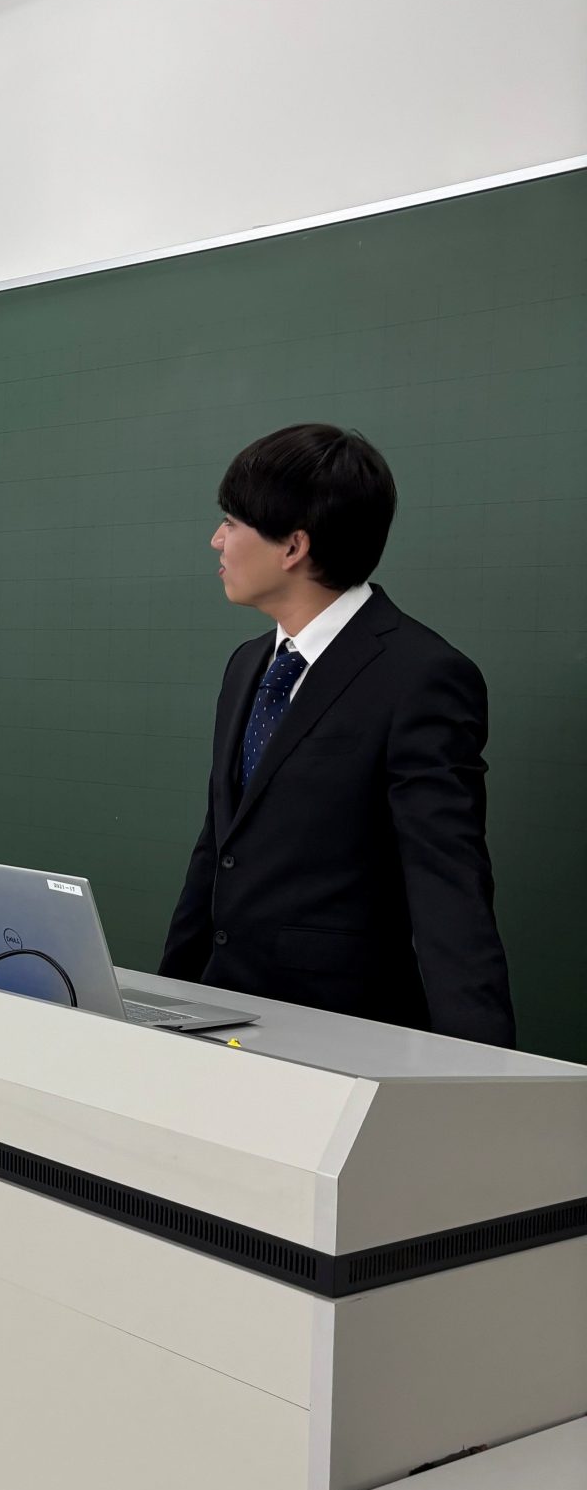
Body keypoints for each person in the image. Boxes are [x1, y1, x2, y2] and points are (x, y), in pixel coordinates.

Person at [160, 422, 514, 1046]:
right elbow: (219, 845)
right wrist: (168, 999)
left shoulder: (419, 676)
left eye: (232, 522)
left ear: (293, 547)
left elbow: (447, 884)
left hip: (345, 1034)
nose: (217, 539)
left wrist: (485, 1068)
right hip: (221, 1016)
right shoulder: (248, 664)